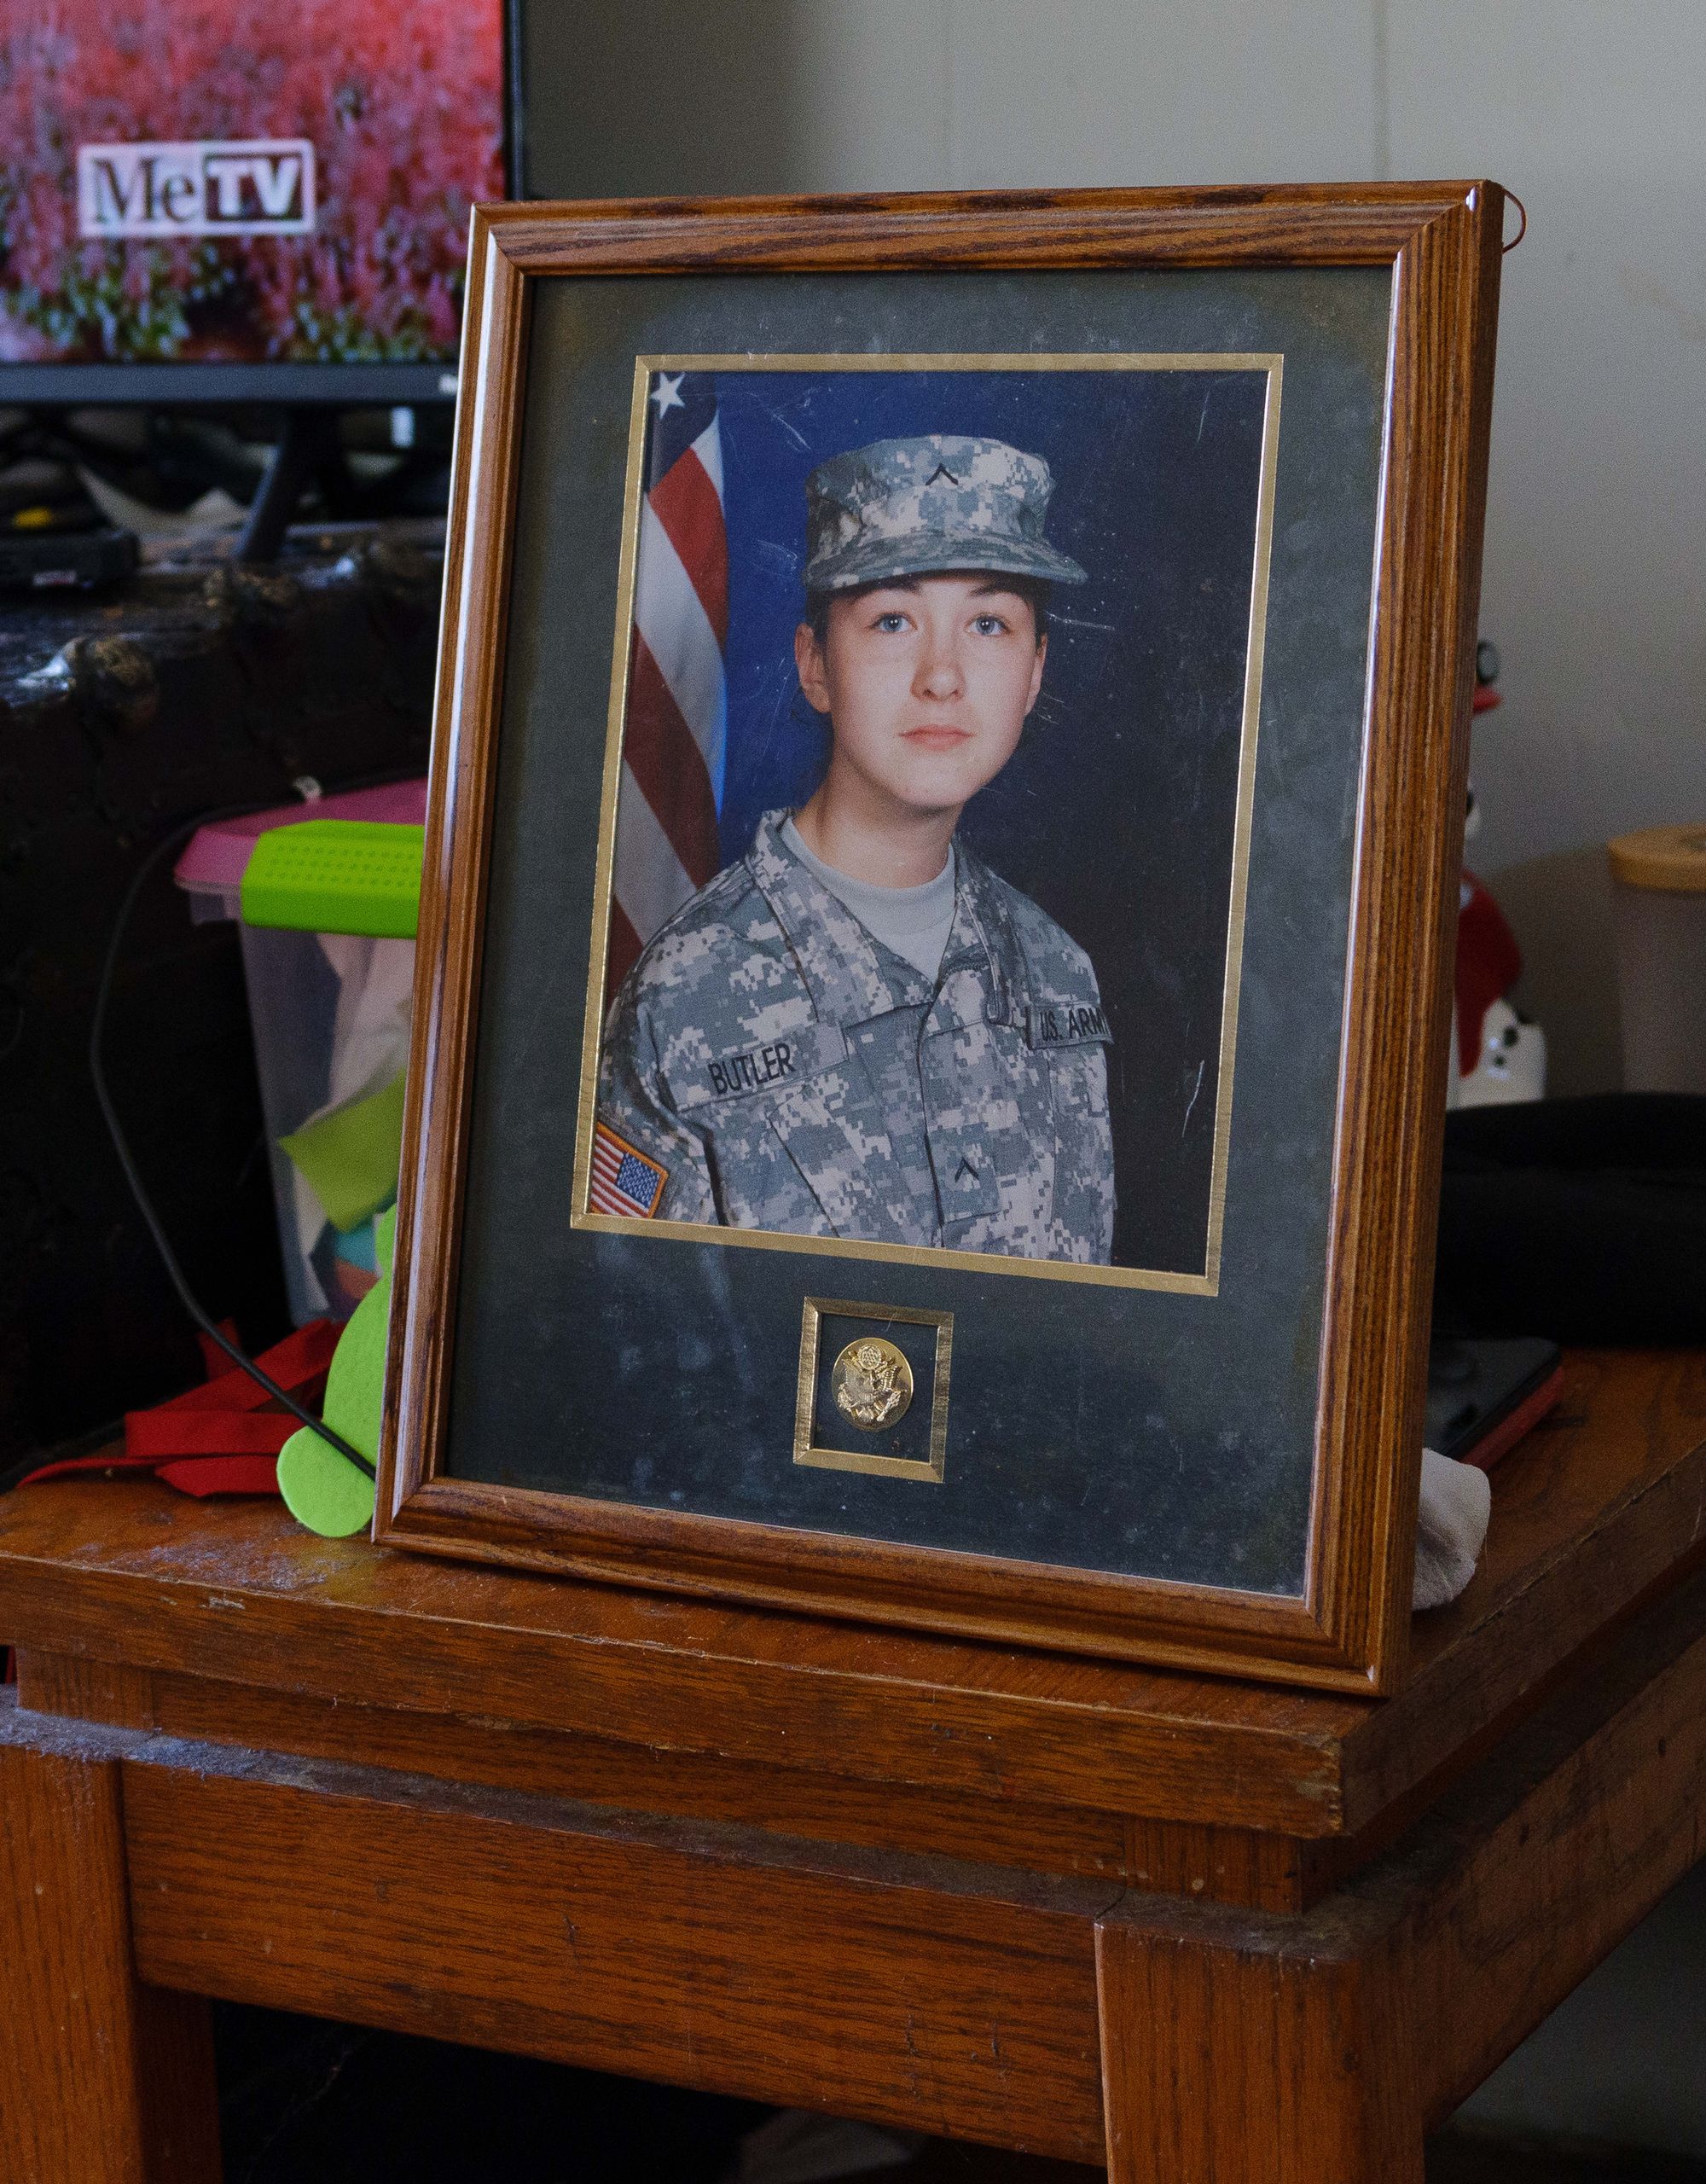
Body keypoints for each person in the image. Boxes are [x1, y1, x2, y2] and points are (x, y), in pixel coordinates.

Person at [592, 431, 1116, 1264]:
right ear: (815, 667)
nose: (940, 675)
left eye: (987, 622)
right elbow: (644, 1353)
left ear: (1034, 672)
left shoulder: (1056, 973)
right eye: (892, 620)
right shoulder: (685, 1004)